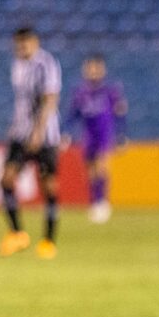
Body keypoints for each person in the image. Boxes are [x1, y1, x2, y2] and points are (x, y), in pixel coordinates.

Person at [0, 26, 62, 260]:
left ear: (34, 42)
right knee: (6, 180)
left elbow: (50, 100)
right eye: (18, 44)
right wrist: (15, 127)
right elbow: (22, 103)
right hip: (20, 134)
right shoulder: (17, 65)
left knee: (49, 186)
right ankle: (17, 234)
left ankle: (48, 241)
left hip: (45, 137)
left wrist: (38, 131)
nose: (21, 48)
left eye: (25, 43)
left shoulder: (46, 64)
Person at [64, 54, 127, 224]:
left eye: (96, 68)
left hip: (104, 134)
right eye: (89, 68)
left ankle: (102, 203)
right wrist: (67, 133)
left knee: (101, 167)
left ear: (102, 69)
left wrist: (121, 135)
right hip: (88, 135)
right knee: (91, 171)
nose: (92, 71)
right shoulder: (80, 92)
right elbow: (73, 114)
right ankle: (94, 202)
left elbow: (120, 113)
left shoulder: (110, 91)